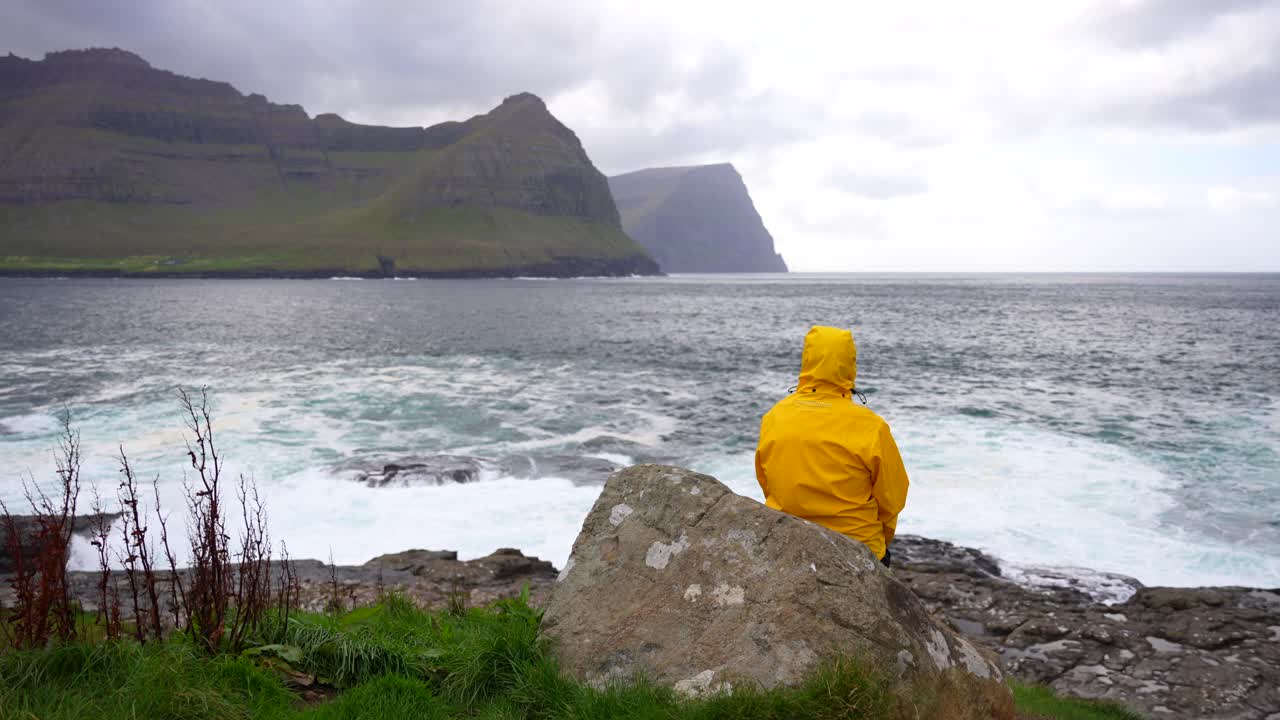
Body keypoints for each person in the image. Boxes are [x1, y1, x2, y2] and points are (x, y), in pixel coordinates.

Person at [754, 325, 909, 567]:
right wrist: (881, 540)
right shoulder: (871, 426)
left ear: (807, 360)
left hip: (790, 542)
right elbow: (892, 498)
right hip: (858, 548)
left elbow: (766, 481)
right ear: (850, 364)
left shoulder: (775, 416)